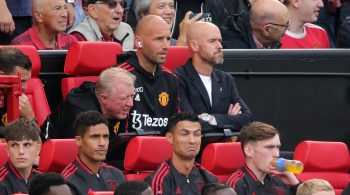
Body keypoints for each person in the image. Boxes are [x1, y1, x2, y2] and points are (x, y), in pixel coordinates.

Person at [42, 67, 135, 164]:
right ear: (103, 98)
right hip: (58, 161)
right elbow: (84, 160)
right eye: (124, 98)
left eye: (132, 96)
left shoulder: (118, 107)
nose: (130, 103)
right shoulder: (80, 115)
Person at [174, 21, 252, 134]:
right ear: (194, 46)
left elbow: (247, 119)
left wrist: (211, 119)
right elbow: (190, 124)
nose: (220, 46)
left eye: (220, 41)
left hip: (221, 145)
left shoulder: (226, 79)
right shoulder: (177, 78)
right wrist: (229, 120)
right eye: (212, 41)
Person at [116, 15, 179, 135]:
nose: (166, 46)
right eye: (159, 39)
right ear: (138, 42)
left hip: (163, 150)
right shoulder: (120, 76)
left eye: (168, 39)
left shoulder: (171, 79)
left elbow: (176, 125)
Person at [145, 112, 218, 195]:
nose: (192, 141)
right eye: (184, 134)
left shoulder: (209, 178)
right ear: (170, 138)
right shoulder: (158, 181)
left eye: (197, 134)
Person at [225, 121, 300, 194]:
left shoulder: (281, 180)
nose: (277, 154)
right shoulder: (236, 185)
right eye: (269, 147)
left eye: (277, 147)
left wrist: (296, 185)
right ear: (249, 151)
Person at [61, 111, 125, 195]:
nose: (102, 143)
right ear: (78, 141)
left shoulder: (117, 174)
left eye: (105, 137)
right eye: (95, 137)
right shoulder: (68, 180)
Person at [220, 0, 289, 49]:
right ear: (266, 30)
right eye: (284, 26)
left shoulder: (270, 42)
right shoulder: (234, 52)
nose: (286, 29)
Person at [10, 0, 77, 50]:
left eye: (65, 8)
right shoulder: (21, 45)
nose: (65, 14)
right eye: (57, 8)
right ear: (38, 16)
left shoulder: (71, 41)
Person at [69, 0, 134, 50]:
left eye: (122, 5)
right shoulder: (78, 36)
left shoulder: (127, 30)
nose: (120, 11)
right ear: (93, 10)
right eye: (111, 4)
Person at [0, 47, 36, 137]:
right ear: (1, 76)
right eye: (21, 81)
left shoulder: (20, 101)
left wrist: (30, 117)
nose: (25, 87)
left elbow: (38, 142)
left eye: (26, 81)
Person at [133, 0, 202, 46]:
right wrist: (183, 37)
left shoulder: (174, 43)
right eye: (161, 6)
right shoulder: (138, 42)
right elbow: (168, 67)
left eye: (171, 6)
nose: (169, 12)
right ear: (143, 14)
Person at [0, 118, 41, 195]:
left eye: (27, 145)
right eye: (14, 145)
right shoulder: (2, 183)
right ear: (7, 150)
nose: (21, 151)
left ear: (38, 149)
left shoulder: (43, 180)